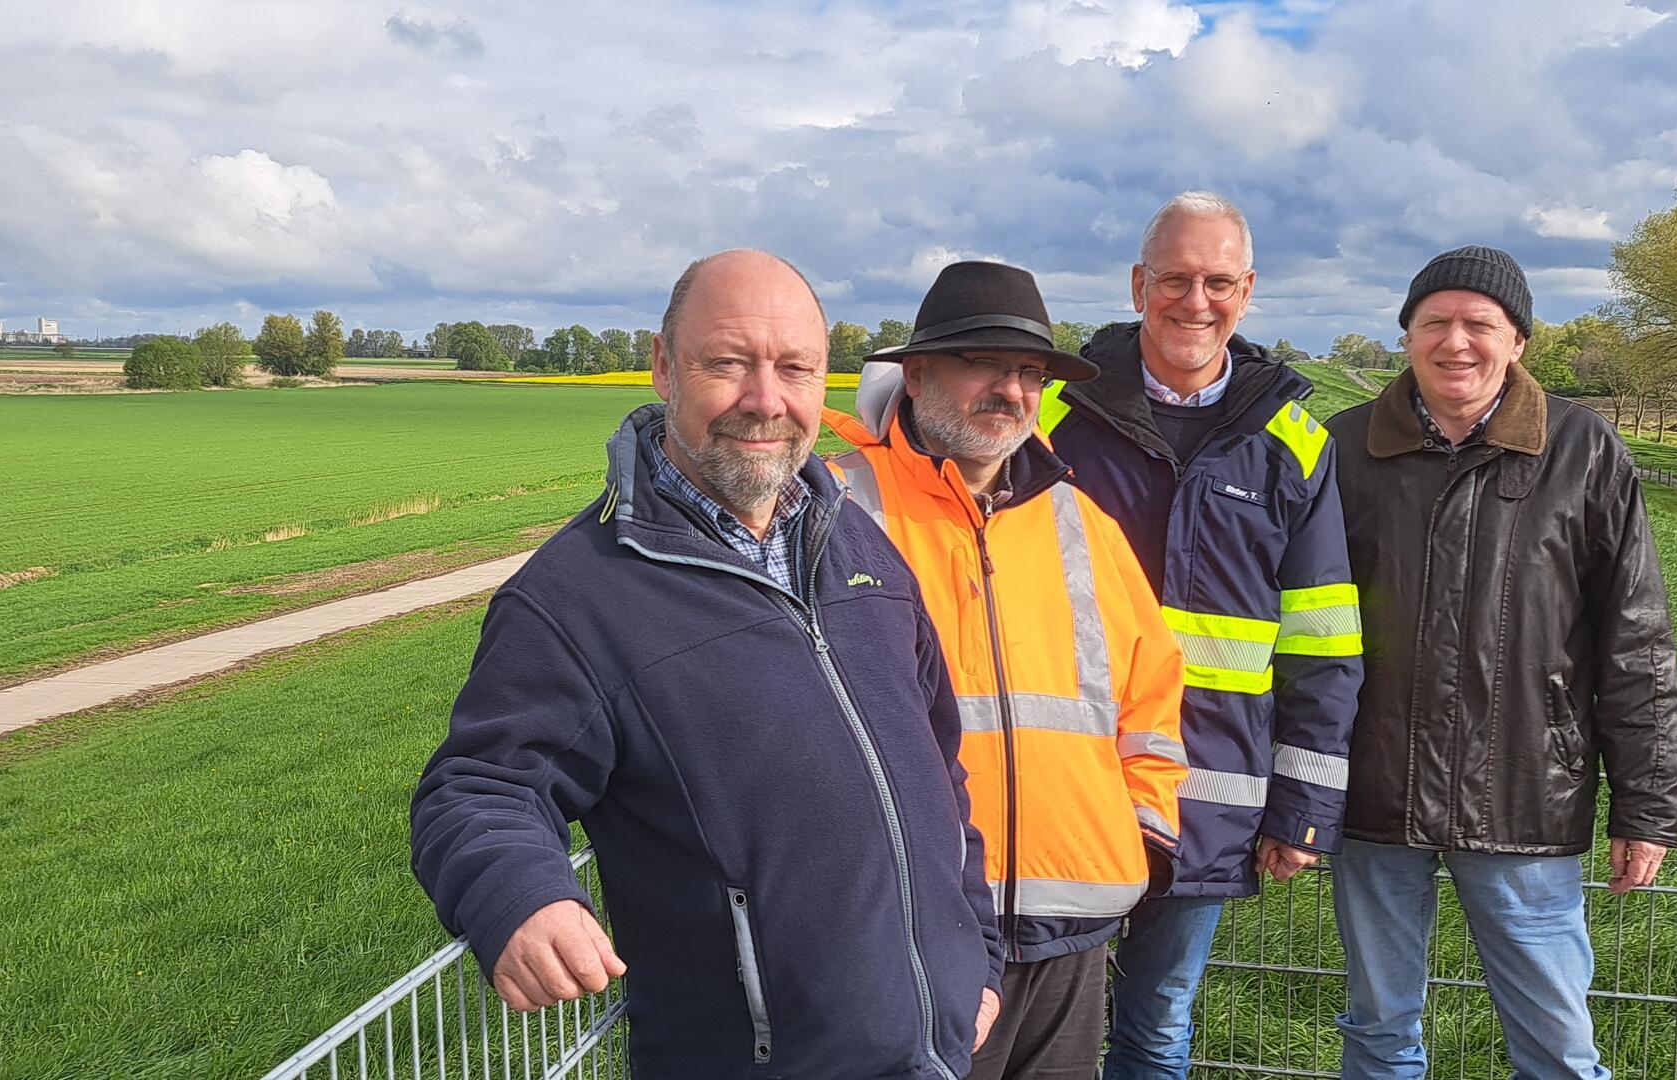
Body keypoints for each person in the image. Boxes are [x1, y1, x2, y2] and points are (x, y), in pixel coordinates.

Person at [410, 249, 1002, 1079]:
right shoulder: (575, 598)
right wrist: (518, 896)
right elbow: (478, 787)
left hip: (938, 1052)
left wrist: (977, 953)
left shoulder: (860, 544)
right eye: (728, 363)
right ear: (663, 367)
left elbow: (943, 770)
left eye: (794, 368)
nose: (766, 401)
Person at [1324, 245, 1677, 1080]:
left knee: (1557, 1046)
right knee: (1377, 1031)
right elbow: (1301, 633)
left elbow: (1637, 640)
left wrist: (1648, 806)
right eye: (1435, 322)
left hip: (1526, 794)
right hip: (1376, 793)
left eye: (1480, 324)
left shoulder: (1584, 451)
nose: (1457, 342)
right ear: (1406, 334)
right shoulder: (1340, 450)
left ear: (1517, 340)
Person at [824, 260, 1188, 1079]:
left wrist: (1139, 826)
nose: (1012, 390)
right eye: (984, 364)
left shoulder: (1080, 521)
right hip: (917, 926)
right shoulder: (838, 507)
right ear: (915, 376)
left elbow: (1152, 688)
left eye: (1028, 372)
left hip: (1074, 928)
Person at [1036, 191, 1362, 1078]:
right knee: (1031, 1019)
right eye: (1175, 278)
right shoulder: (1052, 417)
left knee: (1156, 1027)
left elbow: (1323, 645)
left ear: (1247, 291)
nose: (1196, 300)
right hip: (1059, 778)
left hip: (1206, 794)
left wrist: (1301, 809)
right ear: (1139, 284)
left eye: (1218, 281)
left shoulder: (1293, 442)